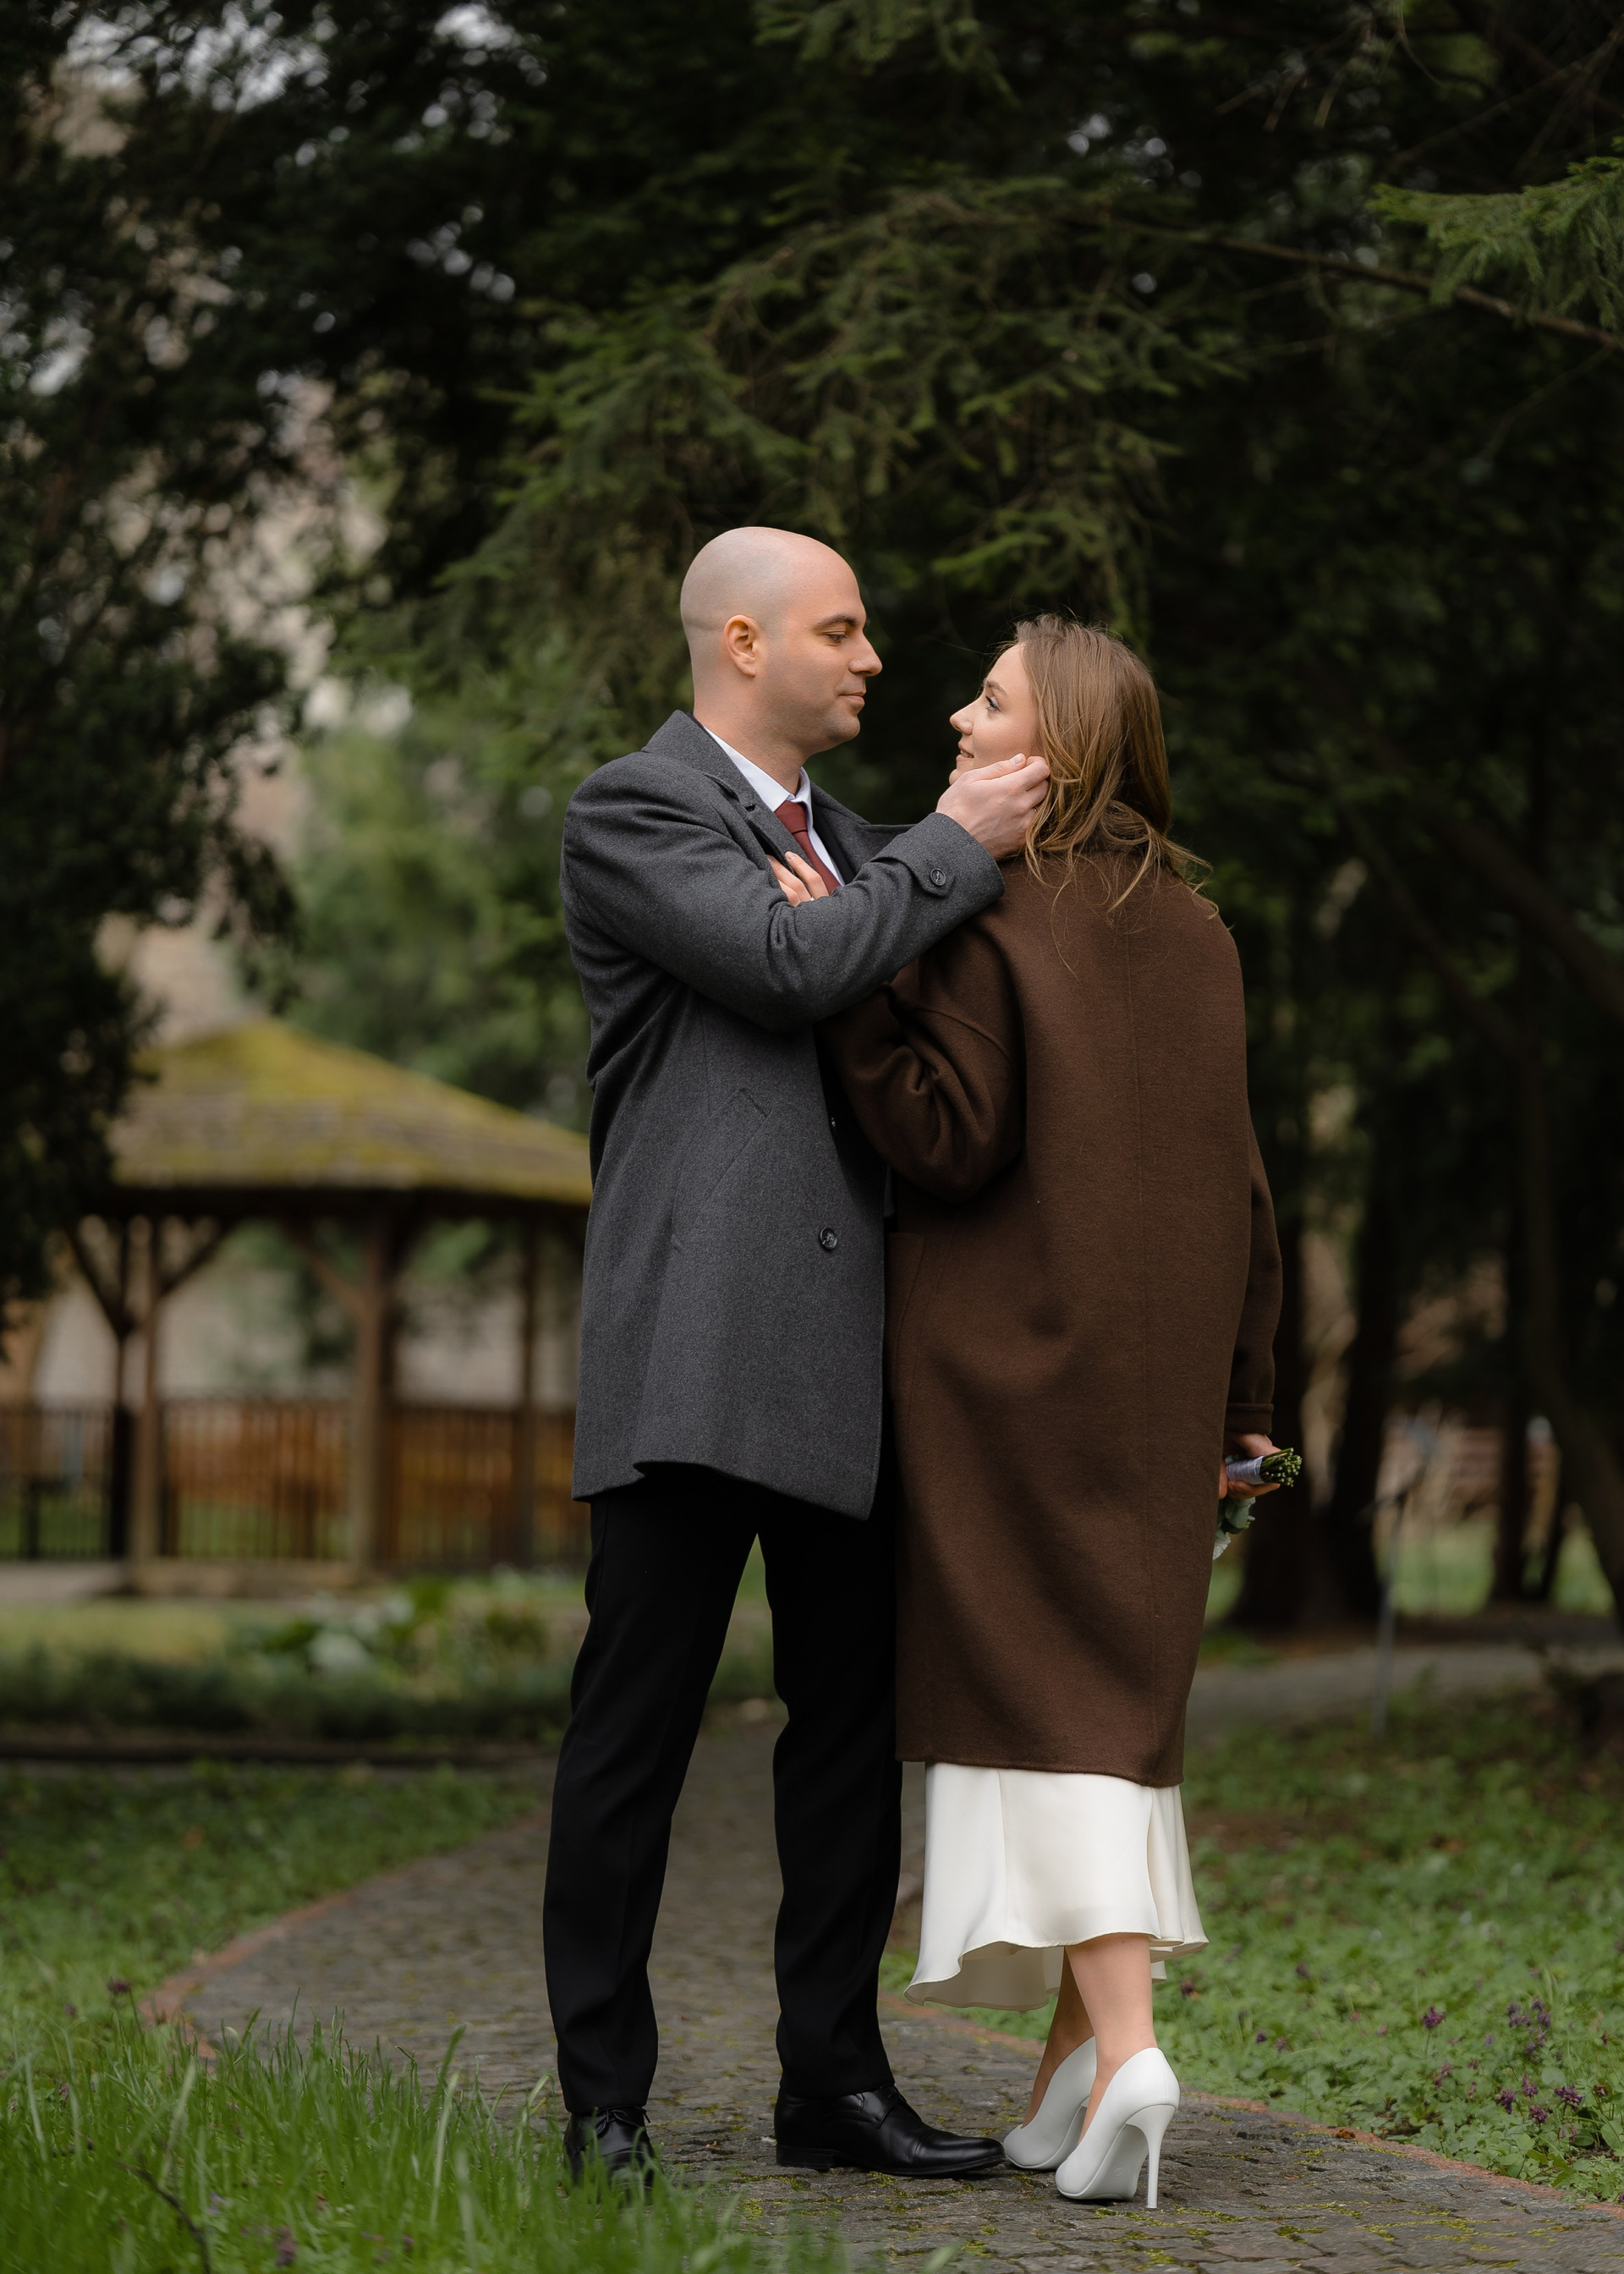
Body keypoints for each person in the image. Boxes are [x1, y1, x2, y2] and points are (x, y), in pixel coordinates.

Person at [544, 525, 1051, 2181]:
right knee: (635, 1737)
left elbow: (902, 970)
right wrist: (956, 844)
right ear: (744, 643)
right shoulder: (634, 810)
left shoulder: (859, 847)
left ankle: (832, 2088)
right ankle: (604, 2106)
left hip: (856, 1367)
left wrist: (934, 855)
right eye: (842, 629)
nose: (873, 658)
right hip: (692, 1356)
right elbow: (787, 966)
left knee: (845, 1742)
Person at [786, 618, 1283, 2208]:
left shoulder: (989, 905)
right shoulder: (1199, 931)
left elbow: (948, 1136)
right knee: (1114, 1706)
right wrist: (1249, 1396)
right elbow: (1246, 1184)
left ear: (1053, 747)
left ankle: (1128, 2049)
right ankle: (1072, 2075)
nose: (955, 710)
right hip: (1161, 1386)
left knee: (1040, 1702)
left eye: (989, 699)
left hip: (1007, 1368)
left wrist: (850, 990)